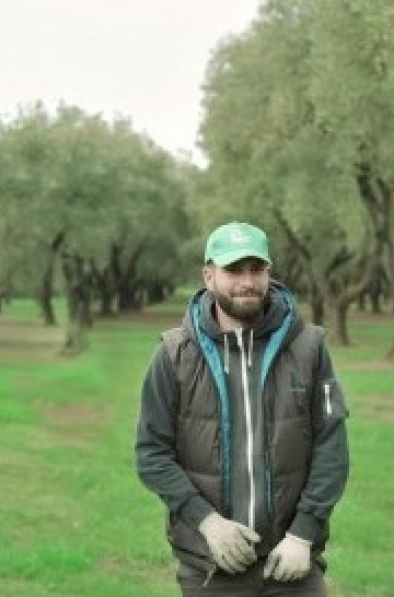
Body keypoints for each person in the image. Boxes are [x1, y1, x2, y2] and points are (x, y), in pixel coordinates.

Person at [135, 221, 350, 596]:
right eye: (234, 270)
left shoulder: (310, 348)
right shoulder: (174, 354)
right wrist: (208, 523)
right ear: (209, 275)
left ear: (269, 272)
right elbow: (152, 453)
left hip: (292, 563)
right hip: (212, 567)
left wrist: (303, 535)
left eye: (256, 269)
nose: (247, 281)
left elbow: (331, 447)